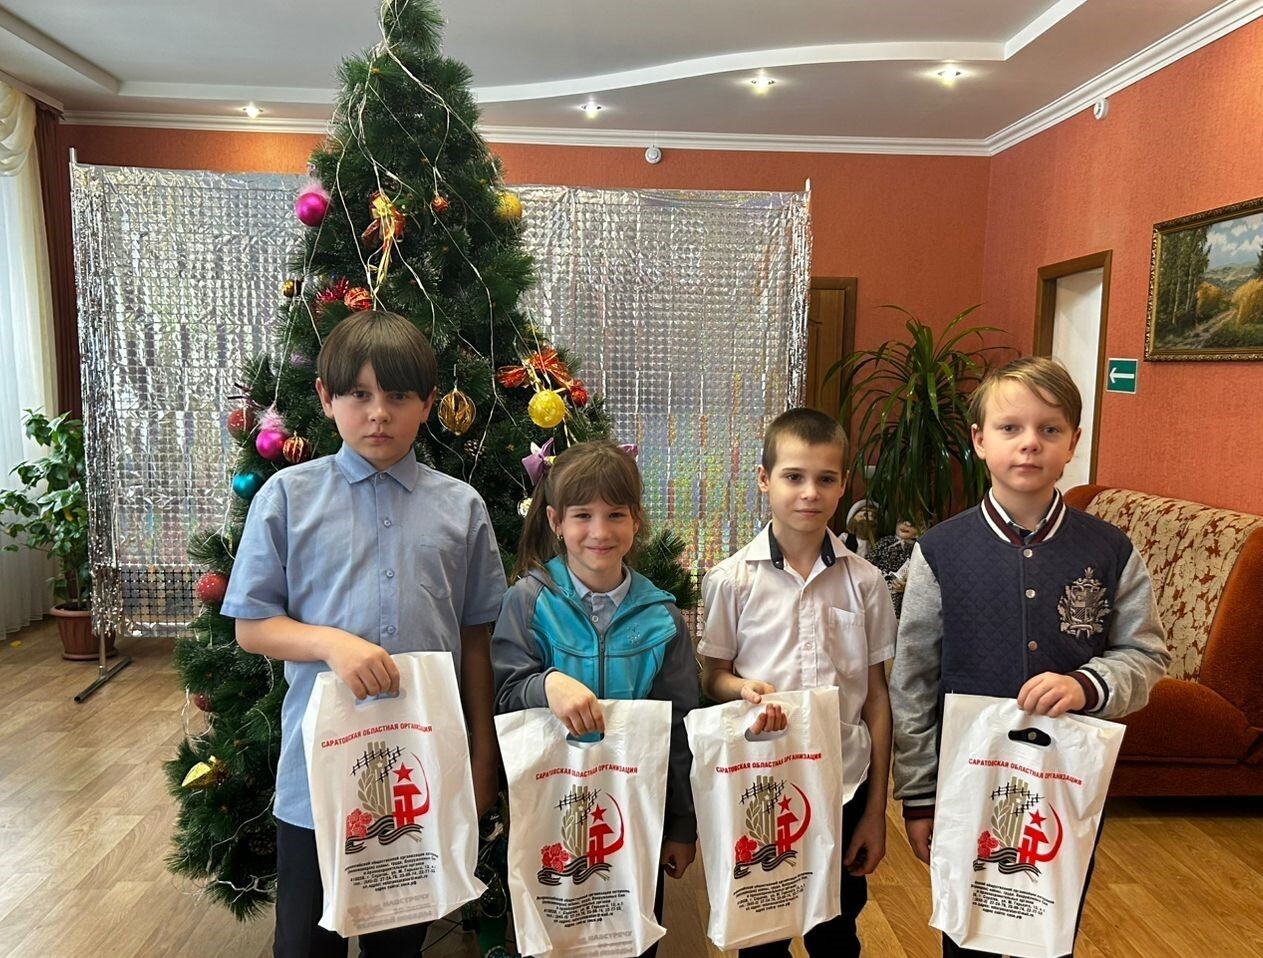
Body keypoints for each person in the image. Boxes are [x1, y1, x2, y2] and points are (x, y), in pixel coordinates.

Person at [222, 311, 507, 958]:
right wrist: (331, 643)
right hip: (316, 778)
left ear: (428, 404)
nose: (378, 413)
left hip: (418, 775)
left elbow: (476, 642)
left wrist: (482, 760)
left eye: (398, 395)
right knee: (304, 942)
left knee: (397, 944)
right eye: (359, 394)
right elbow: (251, 626)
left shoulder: (461, 508)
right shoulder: (287, 498)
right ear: (326, 398)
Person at [890, 356, 1169, 958]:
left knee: (1049, 934)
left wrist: (1088, 683)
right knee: (966, 935)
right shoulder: (940, 551)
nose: (1030, 443)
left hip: (1066, 785)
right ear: (979, 441)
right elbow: (912, 680)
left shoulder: (1110, 549)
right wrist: (919, 794)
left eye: (1049, 429)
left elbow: (1146, 655)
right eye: (1010, 428)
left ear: (1073, 442)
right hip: (966, 782)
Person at [698, 407, 896, 958]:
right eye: (793, 477)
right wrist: (742, 690)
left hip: (845, 786)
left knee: (837, 930)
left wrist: (875, 811)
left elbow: (877, 699)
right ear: (765, 480)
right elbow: (713, 678)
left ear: (843, 484)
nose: (810, 492)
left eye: (825, 478)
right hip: (764, 782)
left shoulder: (866, 582)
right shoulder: (730, 580)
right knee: (762, 939)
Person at [492, 441, 698, 958]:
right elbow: (503, 698)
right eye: (583, 515)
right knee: (551, 940)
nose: (600, 532)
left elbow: (679, 731)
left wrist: (681, 826)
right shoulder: (528, 602)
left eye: (616, 515)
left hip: (634, 819)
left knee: (630, 938)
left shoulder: (663, 619)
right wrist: (546, 684)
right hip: (548, 816)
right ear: (556, 521)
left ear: (636, 521)